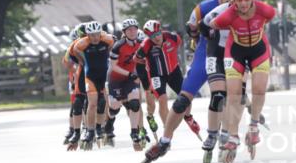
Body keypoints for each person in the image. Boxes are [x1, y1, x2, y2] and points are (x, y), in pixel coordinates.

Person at [138, 0, 239, 163]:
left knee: (226, 96)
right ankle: (164, 141)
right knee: (182, 101)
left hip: (231, 53)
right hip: (206, 52)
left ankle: (224, 134)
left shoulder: (244, 6)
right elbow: (191, 27)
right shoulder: (205, 7)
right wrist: (195, 33)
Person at [210, 0, 277, 162]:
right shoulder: (228, 15)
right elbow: (212, 24)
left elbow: (272, 15)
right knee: (233, 94)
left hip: (259, 50)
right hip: (236, 52)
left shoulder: (265, 10)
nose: (244, 3)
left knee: (259, 89)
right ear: (232, 0)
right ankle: (232, 135)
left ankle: (254, 126)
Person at [136, 19, 200, 137]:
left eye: (157, 33)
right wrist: (145, 77)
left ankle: (188, 117)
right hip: (157, 75)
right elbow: (137, 59)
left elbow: (184, 43)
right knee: (162, 100)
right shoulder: (145, 45)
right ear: (148, 37)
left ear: (161, 31)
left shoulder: (172, 37)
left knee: (186, 96)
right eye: (152, 36)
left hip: (173, 72)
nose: (156, 37)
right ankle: (167, 129)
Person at [68, 21, 115, 148]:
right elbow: (74, 51)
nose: (95, 37)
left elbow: (112, 47)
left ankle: (100, 128)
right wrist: (81, 61)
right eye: (92, 35)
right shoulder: (81, 43)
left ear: (100, 33)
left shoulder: (107, 40)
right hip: (90, 76)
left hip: (104, 76)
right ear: (87, 35)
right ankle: (90, 131)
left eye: (97, 34)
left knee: (104, 102)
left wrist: (108, 55)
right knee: (92, 104)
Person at [109, 18, 149, 151]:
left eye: (134, 29)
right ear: (124, 32)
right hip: (116, 78)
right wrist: (129, 74)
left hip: (131, 78)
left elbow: (146, 61)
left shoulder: (142, 44)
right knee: (114, 107)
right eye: (129, 30)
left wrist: (141, 75)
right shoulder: (118, 46)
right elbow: (113, 66)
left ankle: (134, 132)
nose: (132, 32)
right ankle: (109, 120)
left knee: (135, 104)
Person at [63, 23, 88, 150]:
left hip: (89, 77)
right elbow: (67, 63)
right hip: (76, 78)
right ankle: (72, 128)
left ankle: (88, 126)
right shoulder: (72, 48)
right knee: (75, 104)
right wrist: (74, 72)